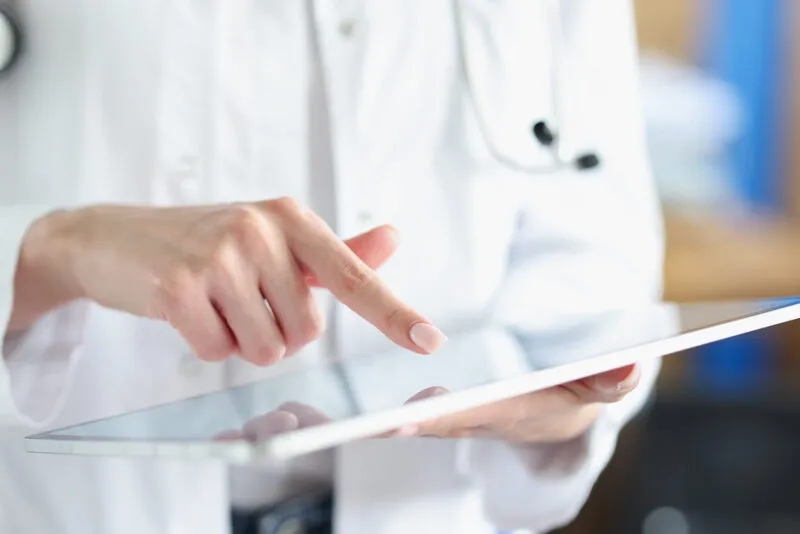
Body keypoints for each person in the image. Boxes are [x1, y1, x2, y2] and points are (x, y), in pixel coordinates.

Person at [0, 1, 664, 533]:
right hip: (74, 509)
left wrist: (556, 398)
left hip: (431, 507)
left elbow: (596, 244)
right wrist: (52, 250)